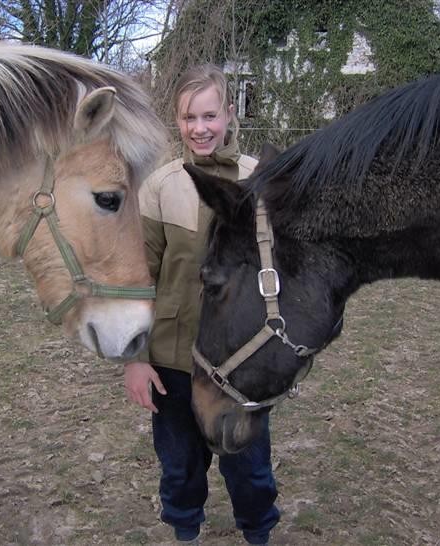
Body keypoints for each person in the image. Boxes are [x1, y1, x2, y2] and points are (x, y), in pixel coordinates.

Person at [124, 64, 280, 545]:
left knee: (249, 473)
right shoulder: (159, 187)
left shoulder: (263, 181)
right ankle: (186, 536)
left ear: (229, 114)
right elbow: (137, 278)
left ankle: (259, 536)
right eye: (190, 118)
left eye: (210, 115)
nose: (200, 128)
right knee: (180, 472)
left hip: (240, 367)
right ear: (178, 120)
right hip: (173, 363)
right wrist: (134, 360)